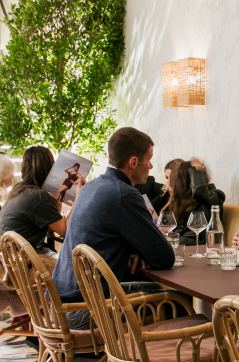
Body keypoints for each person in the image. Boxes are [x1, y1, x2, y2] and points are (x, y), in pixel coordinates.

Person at [52, 127, 176, 330]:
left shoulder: (90, 187)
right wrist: (141, 250)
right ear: (133, 162)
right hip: (84, 311)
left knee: (154, 289)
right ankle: (151, 353)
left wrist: (135, 251)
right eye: (149, 159)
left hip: (59, 303)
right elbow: (165, 257)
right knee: (174, 302)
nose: (151, 166)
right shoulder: (123, 194)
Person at [0, 146, 71, 254]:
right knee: (68, 262)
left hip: (3, 257)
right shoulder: (37, 196)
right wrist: (79, 198)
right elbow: (64, 230)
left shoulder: (20, 189)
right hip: (17, 261)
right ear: (50, 167)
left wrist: (57, 197)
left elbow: (52, 227)